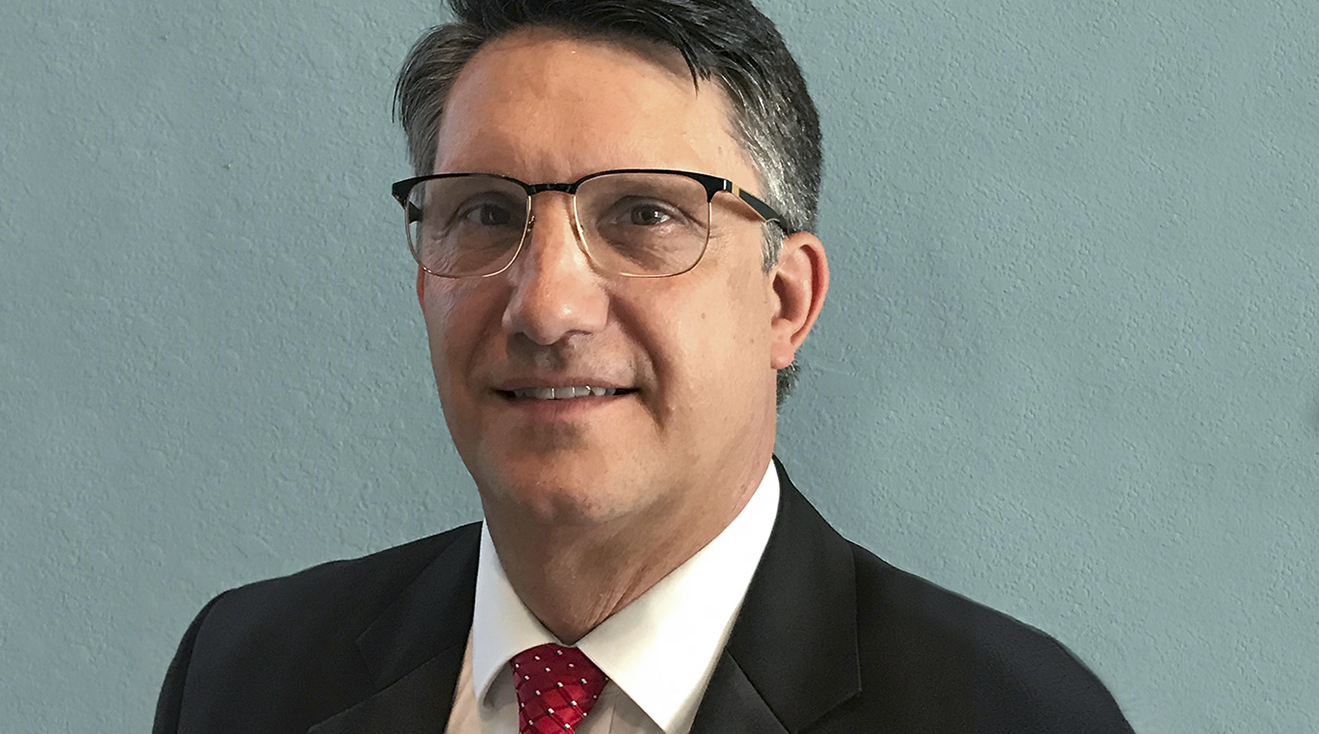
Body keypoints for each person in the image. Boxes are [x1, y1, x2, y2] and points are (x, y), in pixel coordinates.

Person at [153, 1, 1135, 732]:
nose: (544, 305)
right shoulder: (244, 679)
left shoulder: (1011, 715)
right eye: (486, 213)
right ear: (422, 276)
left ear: (782, 301)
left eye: (644, 214)